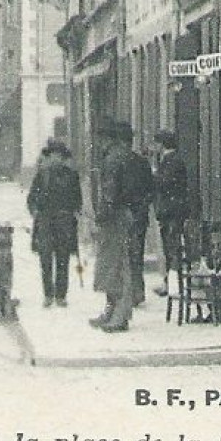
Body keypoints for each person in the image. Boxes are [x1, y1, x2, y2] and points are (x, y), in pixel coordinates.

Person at [90, 121, 146, 333]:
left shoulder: (113, 160)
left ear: (107, 139)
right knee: (117, 266)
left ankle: (119, 316)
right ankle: (112, 312)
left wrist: (101, 218)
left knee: (117, 267)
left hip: (115, 219)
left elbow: (109, 194)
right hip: (126, 216)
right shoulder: (131, 158)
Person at [27, 140, 82, 308]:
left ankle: (61, 295)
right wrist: (35, 210)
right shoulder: (41, 175)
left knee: (63, 257)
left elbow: (77, 199)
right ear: (49, 157)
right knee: (45, 258)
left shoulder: (71, 175)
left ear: (63, 158)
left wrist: (75, 212)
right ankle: (48, 294)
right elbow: (31, 198)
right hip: (45, 220)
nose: (55, 159)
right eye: (53, 156)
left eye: (59, 156)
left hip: (64, 221)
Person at [151, 131, 189, 297]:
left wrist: (153, 174)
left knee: (172, 248)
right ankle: (170, 283)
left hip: (172, 211)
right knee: (170, 247)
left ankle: (173, 285)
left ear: (162, 144)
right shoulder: (171, 160)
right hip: (170, 210)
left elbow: (164, 183)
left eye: (156, 143)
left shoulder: (172, 161)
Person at [126, 135, 155, 308]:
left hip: (128, 216)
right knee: (136, 255)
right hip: (139, 216)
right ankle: (137, 292)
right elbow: (150, 190)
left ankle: (131, 293)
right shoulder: (142, 163)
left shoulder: (120, 163)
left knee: (129, 255)